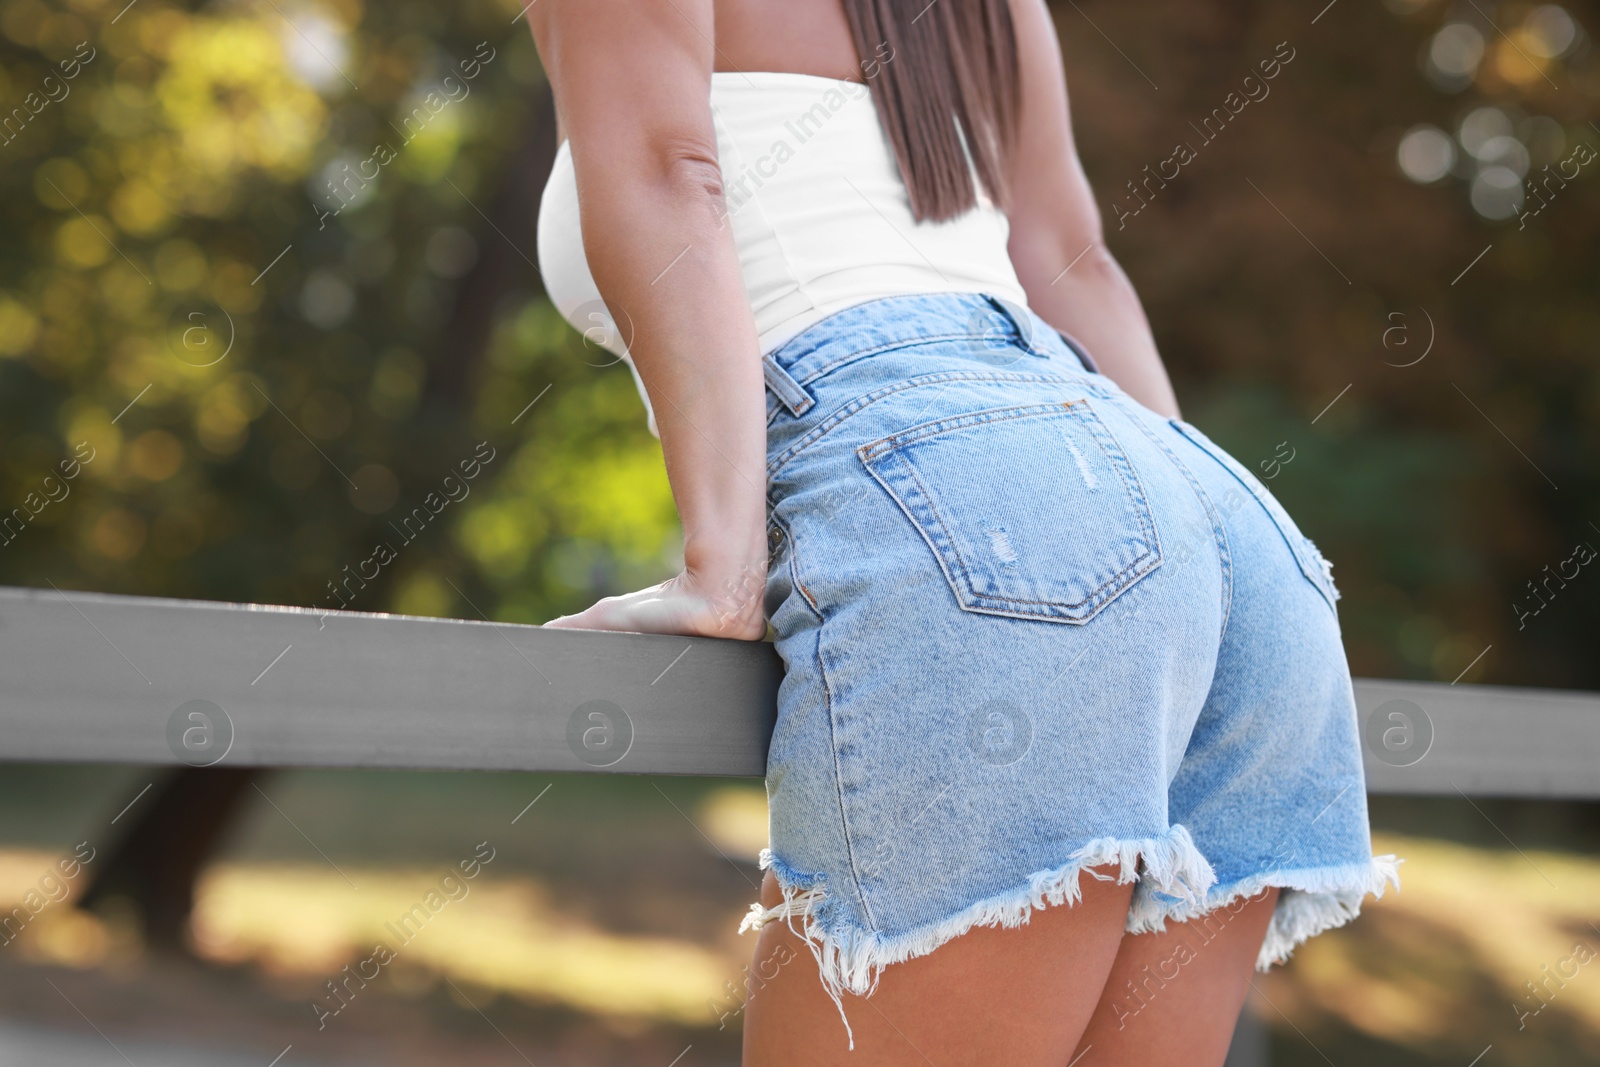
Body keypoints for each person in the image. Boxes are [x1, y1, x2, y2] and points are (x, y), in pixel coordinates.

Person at [525, 1, 1401, 1063]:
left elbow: (668, 168)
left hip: (983, 509)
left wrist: (724, 562)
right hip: (1204, 512)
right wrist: (1178, 552)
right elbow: (1073, 263)